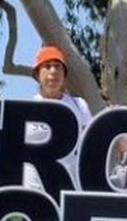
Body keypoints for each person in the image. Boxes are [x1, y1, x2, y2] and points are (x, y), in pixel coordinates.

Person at [24, 46, 93, 195]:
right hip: (35, 190)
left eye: (57, 66)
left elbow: (91, 143)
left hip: (71, 188)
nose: (53, 71)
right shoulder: (27, 108)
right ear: (37, 74)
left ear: (64, 74)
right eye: (47, 66)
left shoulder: (79, 105)